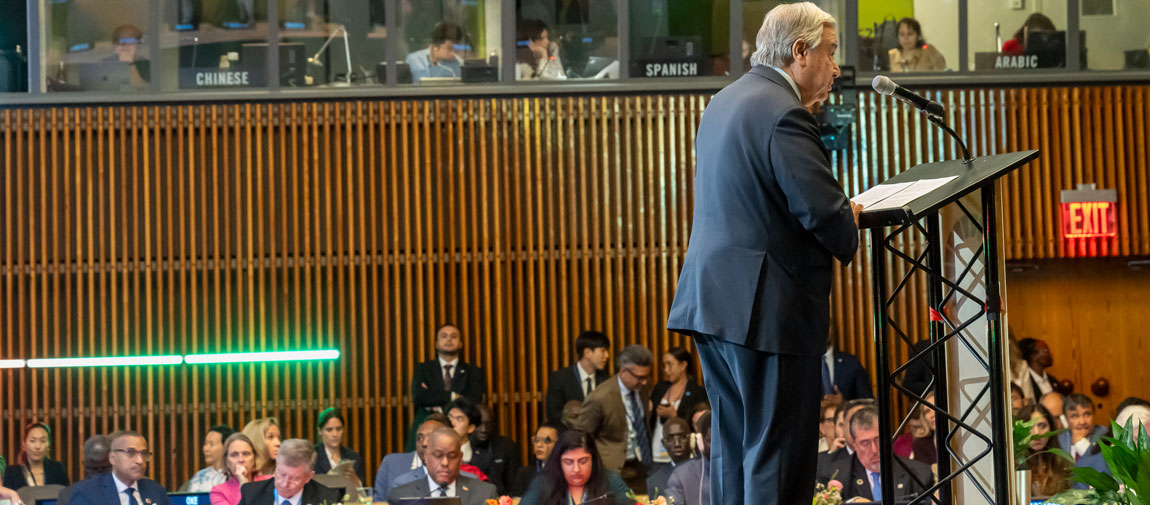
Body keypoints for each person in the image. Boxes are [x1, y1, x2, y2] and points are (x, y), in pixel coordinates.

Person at [665, 2, 861, 503]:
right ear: (799, 52)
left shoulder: (724, 100)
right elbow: (822, 211)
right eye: (831, 53)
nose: (837, 68)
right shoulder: (784, 111)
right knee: (777, 455)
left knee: (735, 452)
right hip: (768, 310)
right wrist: (850, 216)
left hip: (716, 305)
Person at [572, 344, 653, 494]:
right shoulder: (600, 397)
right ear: (623, 372)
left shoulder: (642, 389)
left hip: (640, 467)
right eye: (640, 377)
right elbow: (581, 436)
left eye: (646, 376)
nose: (644, 382)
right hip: (611, 471)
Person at [819, 406, 933, 502]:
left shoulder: (919, 474)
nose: (874, 450)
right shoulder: (836, 476)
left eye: (878, 439)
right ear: (854, 444)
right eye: (865, 443)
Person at [409, 324, 487, 451]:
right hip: (427, 430)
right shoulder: (423, 369)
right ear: (436, 343)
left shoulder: (473, 371)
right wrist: (453, 396)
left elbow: (473, 399)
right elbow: (419, 396)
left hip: (461, 436)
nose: (449, 339)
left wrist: (434, 399)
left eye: (453, 336)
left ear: (461, 343)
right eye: (444, 336)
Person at [374, 414, 482, 501]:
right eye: (420, 438)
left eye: (430, 437)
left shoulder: (473, 484)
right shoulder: (400, 481)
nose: (424, 443)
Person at [519, 429, 636, 505]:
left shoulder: (611, 480)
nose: (576, 469)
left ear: (593, 460)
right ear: (559, 462)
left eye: (583, 461)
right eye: (568, 462)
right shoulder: (544, 482)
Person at [387, 428, 497, 505]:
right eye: (438, 455)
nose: (445, 462)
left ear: (460, 458)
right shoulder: (401, 496)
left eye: (452, 456)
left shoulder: (485, 493)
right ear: (426, 457)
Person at [70, 430, 171, 505]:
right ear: (112, 458)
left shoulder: (155, 490)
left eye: (144, 454)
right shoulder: (86, 494)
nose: (140, 461)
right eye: (130, 453)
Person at [649, 347, 707, 469]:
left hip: (683, 455)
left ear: (683, 365)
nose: (666, 370)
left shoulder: (698, 392)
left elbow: (699, 425)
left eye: (669, 364)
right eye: (664, 365)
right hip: (656, 455)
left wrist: (675, 417)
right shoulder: (660, 388)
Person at [236, 439, 342, 505]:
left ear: (308, 477)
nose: (284, 483)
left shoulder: (328, 499)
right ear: (277, 464)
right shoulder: (252, 494)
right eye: (281, 474)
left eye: (294, 478)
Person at [546, 331, 611, 423]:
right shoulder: (560, 378)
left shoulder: (606, 380)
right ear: (587, 352)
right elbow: (553, 413)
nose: (607, 355)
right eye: (603, 351)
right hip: (568, 432)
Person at [1017, 404, 1071, 498]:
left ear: (1051, 428)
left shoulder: (1064, 463)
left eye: (1042, 426)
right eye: (1029, 427)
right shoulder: (1014, 466)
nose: (1037, 433)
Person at [470, 404, 522, 495]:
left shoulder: (506, 445)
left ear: (494, 424)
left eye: (488, 424)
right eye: (479, 424)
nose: (484, 429)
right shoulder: (463, 446)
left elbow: (513, 484)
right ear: (471, 424)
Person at [3, 422, 70, 490]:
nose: (38, 446)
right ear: (24, 444)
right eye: (32, 441)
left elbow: (66, 496)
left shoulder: (57, 469)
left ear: (49, 444)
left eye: (43, 441)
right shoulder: (12, 473)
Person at [664, 412, 711, 505]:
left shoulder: (743, 471)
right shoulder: (682, 475)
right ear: (701, 442)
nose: (719, 447)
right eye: (711, 441)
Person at [210, 433, 271, 505]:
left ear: (254, 458)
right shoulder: (218, 492)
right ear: (226, 461)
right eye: (234, 455)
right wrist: (243, 484)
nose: (241, 460)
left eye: (246, 453)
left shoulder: (269, 482)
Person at [312, 408, 366, 484]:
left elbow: (364, 492)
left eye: (338, 429)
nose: (335, 434)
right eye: (329, 430)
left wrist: (356, 480)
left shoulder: (353, 457)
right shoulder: (312, 456)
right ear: (320, 431)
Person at [57, 435, 113, 505]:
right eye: (94, 469)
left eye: (104, 468)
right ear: (84, 465)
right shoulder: (67, 495)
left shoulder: (125, 491)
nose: (99, 476)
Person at [646, 417, 694, 500]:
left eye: (682, 437)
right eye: (670, 438)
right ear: (664, 443)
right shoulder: (654, 482)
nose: (677, 444)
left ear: (691, 439)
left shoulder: (708, 471)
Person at [512, 423, 562, 496]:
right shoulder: (524, 474)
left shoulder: (569, 473)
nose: (539, 445)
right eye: (537, 440)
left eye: (546, 441)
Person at [183, 425, 235, 492]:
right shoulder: (199, 477)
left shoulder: (236, 475)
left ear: (226, 446)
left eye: (211, 444)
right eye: (205, 443)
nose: (205, 449)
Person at [1059, 393, 1107, 461]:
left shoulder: (1106, 435)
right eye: (1075, 416)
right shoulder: (1060, 439)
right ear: (1066, 419)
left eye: (1087, 414)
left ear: (1094, 414)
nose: (1082, 422)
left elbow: (1102, 466)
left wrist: (1081, 444)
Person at [893, 393, 937, 465]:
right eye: (927, 411)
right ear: (924, 418)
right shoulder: (921, 444)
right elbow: (924, 474)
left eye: (935, 408)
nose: (932, 414)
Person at [1017, 338, 1058, 403]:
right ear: (1033, 356)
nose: (1050, 354)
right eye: (1046, 350)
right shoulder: (1025, 382)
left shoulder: (1053, 381)